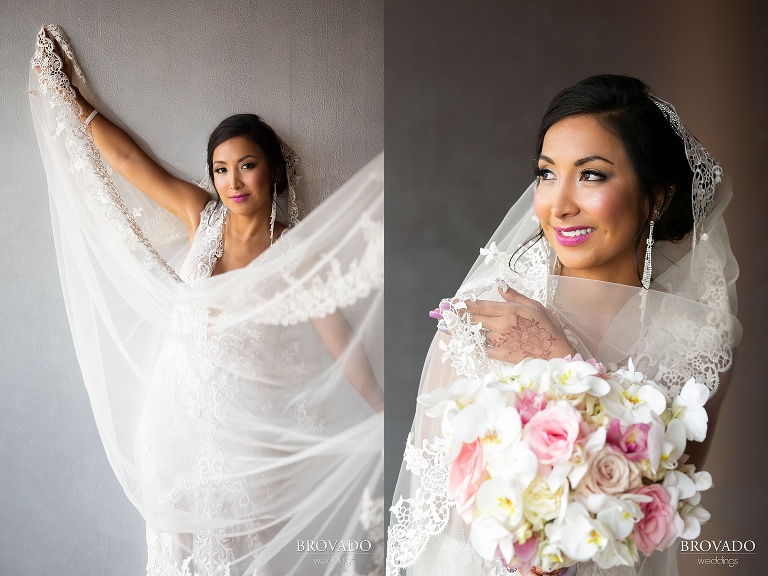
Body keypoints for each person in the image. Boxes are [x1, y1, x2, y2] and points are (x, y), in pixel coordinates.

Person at [31, 25, 384, 576]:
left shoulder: (297, 252)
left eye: (247, 164)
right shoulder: (204, 218)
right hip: (174, 423)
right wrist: (66, 94)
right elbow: (126, 159)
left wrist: (381, 409)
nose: (233, 181)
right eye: (221, 168)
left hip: (245, 438)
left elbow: (340, 341)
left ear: (273, 170)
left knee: (239, 559)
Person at [387, 75, 740, 576]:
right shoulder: (488, 319)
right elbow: (432, 516)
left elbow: (659, 507)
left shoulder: (696, 339)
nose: (559, 204)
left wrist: (562, 362)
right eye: (547, 174)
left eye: (591, 175)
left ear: (656, 197)